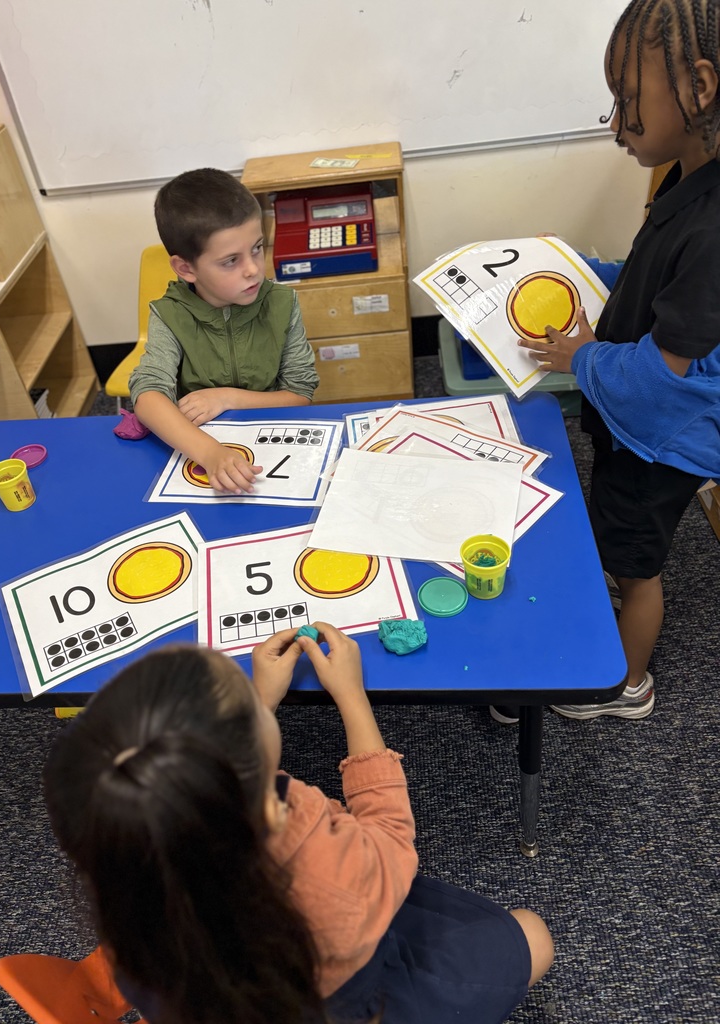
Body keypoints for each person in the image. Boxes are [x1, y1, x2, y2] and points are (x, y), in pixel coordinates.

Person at [43, 623, 554, 1024]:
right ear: (269, 809)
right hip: (350, 998)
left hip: (221, 998)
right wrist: (351, 696)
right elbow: (391, 840)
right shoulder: (327, 871)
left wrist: (260, 703)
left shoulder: (128, 863)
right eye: (245, 708)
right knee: (533, 936)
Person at [520, 0, 720, 721]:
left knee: (639, 567)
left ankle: (622, 683)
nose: (616, 124)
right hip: (635, 422)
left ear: (699, 87)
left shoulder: (713, 228)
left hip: (660, 443)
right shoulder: (687, 173)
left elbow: (666, 375)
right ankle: (616, 577)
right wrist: (570, 266)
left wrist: (584, 358)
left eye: (627, 103)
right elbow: (648, 273)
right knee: (615, 533)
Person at [129, 168, 319, 495]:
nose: (253, 269)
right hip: (203, 444)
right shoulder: (170, 313)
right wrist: (209, 453)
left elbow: (300, 394)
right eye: (231, 261)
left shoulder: (282, 303)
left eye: (257, 248)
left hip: (272, 437)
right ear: (186, 268)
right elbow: (147, 396)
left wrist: (227, 397)